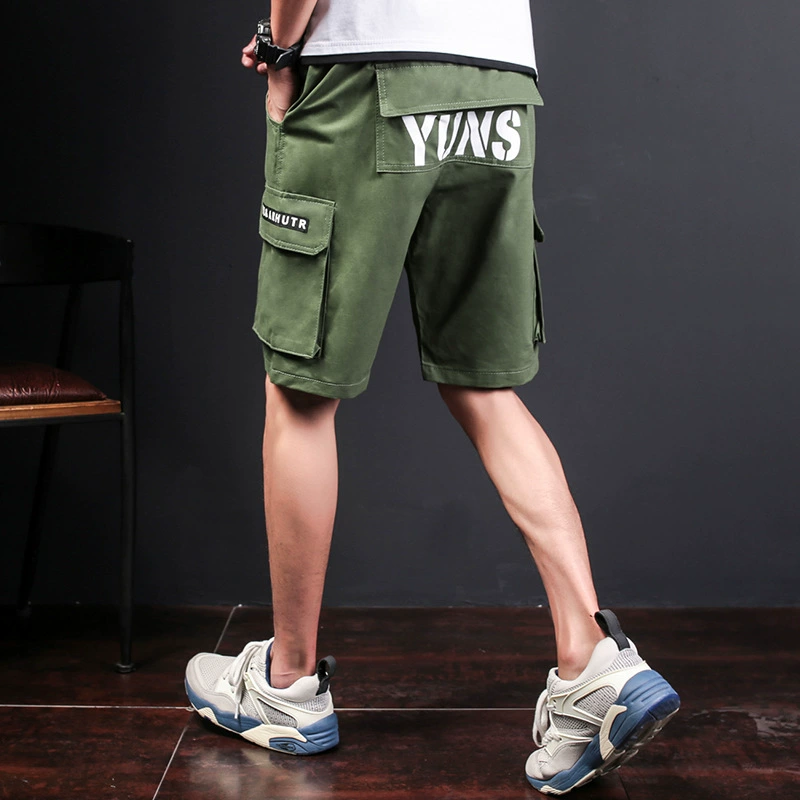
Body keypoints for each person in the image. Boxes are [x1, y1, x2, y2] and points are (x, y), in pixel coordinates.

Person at [184, 1, 679, 793]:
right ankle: (593, 661)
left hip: (365, 72)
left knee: (300, 392)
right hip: (499, 81)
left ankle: (287, 684)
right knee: (486, 388)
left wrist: (280, 46)